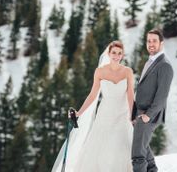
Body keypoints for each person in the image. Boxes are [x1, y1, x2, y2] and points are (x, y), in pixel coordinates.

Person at [51, 40, 134, 172]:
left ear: (122, 55)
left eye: (119, 53)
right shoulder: (100, 72)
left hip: (122, 114)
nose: (116, 56)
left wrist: (132, 114)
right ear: (109, 53)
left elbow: (130, 94)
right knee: (102, 147)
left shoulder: (127, 72)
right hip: (105, 114)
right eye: (114, 53)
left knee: (120, 146)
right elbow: (92, 95)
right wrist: (79, 113)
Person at [131, 29, 173, 172]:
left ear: (161, 42)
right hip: (140, 113)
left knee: (138, 155)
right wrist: (134, 113)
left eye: (154, 41)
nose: (151, 44)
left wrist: (148, 115)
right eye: (148, 41)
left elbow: (162, 96)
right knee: (144, 149)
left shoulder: (164, 65)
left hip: (149, 115)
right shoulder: (150, 62)